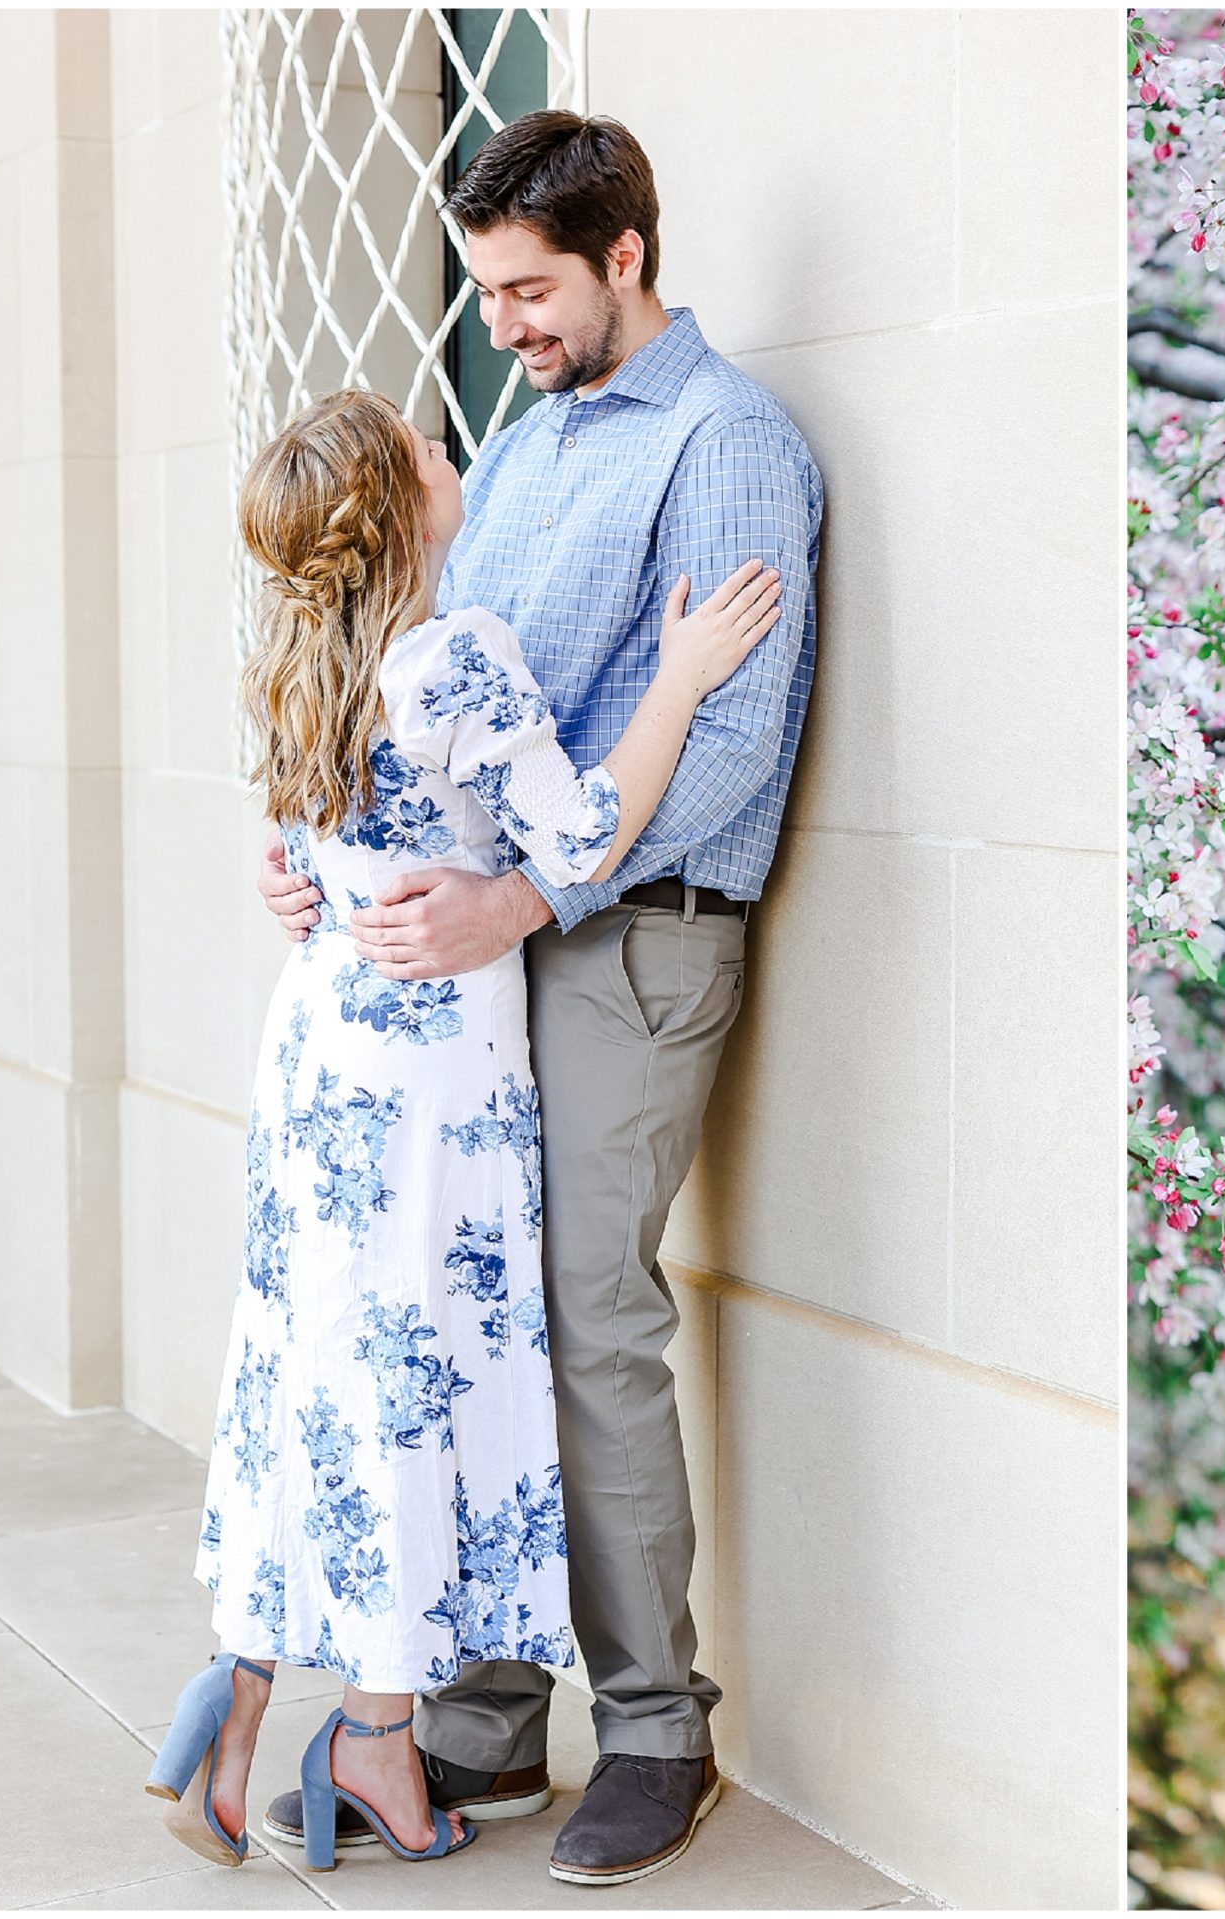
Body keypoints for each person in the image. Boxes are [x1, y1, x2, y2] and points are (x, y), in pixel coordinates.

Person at [253, 110, 823, 1888]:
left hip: (631, 930)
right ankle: (485, 1726)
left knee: (584, 1312)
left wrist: (523, 895)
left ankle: (659, 1732)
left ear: (626, 257)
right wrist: (329, 859)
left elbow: (730, 744)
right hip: (483, 955)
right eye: (487, 288)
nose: (499, 321)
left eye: (527, 288)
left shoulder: (728, 447)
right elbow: (424, 698)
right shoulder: (513, 449)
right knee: (467, 1306)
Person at [146, 386, 782, 1873]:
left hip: (315, 1057)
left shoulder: (300, 663)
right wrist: (679, 679)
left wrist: (292, 871)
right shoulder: (457, 662)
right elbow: (576, 838)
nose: (455, 455)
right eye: (429, 450)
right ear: (398, 508)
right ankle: (371, 1727)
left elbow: (311, 842)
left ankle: (238, 1703)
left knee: (312, 1362)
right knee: (417, 1373)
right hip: (430, 1078)